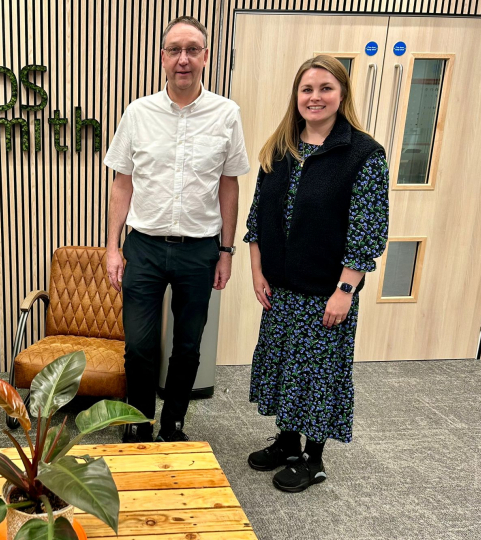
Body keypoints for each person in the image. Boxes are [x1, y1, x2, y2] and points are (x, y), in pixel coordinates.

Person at [243, 55, 389, 492]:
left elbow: (367, 231)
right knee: (287, 367)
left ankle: (314, 458)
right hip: (282, 290)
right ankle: (288, 443)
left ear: (342, 94)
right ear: (296, 96)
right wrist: (257, 273)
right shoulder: (279, 149)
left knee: (320, 376)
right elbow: (256, 220)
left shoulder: (363, 154)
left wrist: (345, 290)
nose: (315, 97)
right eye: (307, 89)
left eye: (325, 88)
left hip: (327, 292)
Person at [104, 16, 250, 444]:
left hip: (199, 250)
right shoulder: (138, 112)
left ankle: (174, 424)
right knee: (140, 346)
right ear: (163, 57)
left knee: (187, 346)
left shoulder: (226, 114)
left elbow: (229, 185)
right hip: (144, 247)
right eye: (174, 50)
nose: (183, 59)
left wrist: (226, 251)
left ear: (205, 56)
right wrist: (113, 248)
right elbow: (122, 182)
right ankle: (138, 420)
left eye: (192, 49)